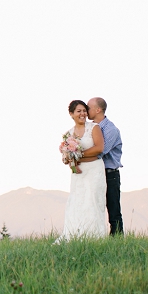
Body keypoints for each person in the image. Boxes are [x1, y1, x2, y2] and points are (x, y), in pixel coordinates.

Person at [55, 100, 107, 243]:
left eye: (84, 110)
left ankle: (96, 237)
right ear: (71, 114)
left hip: (94, 170)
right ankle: (76, 235)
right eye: (79, 111)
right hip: (78, 173)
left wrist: (77, 154)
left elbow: (99, 149)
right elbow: (66, 159)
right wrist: (69, 158)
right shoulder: (68, 134)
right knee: (77, 202)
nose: (83, 114)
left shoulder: (94, 128)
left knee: (93, 202)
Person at [86, 97, 124, 236]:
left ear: (98, 109)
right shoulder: (89, 128)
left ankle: (118, 239)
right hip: (95, 173)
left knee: (113, 209)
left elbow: (100, 152)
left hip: (109, 174)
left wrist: (77, 156)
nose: (86, 110)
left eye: (88, 107)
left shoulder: (110, 129)